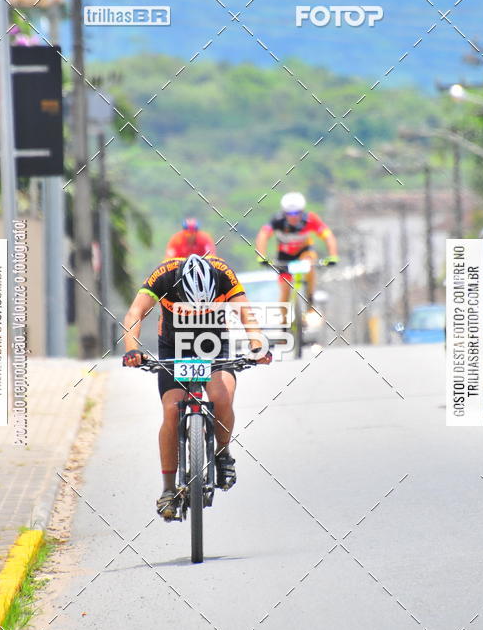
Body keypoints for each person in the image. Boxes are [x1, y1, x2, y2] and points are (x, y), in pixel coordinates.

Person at [122, 254, 272, 521]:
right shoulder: (164, 275)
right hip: (174, 347)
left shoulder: (222, 272)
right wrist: (132, 350)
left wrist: (257, 345)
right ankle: (168, 489)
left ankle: (223, 453)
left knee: (221, 396)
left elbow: (245, 313)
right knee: (171, 409)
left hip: (214, 346)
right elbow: (135, 313)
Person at [255, 192, 339, 307]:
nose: (293, 216)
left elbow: (328, 235)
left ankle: (310, 299)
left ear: (302, 211)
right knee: (285, 293)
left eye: (297, 213)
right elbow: (263, 235)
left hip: (304, 252)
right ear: (284, 213)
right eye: (290, 213)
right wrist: (261, 256)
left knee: (309, 262)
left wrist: (333, 255)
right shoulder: (277, 220)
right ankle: (284, 323)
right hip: (284, 256)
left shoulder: (311, 219)